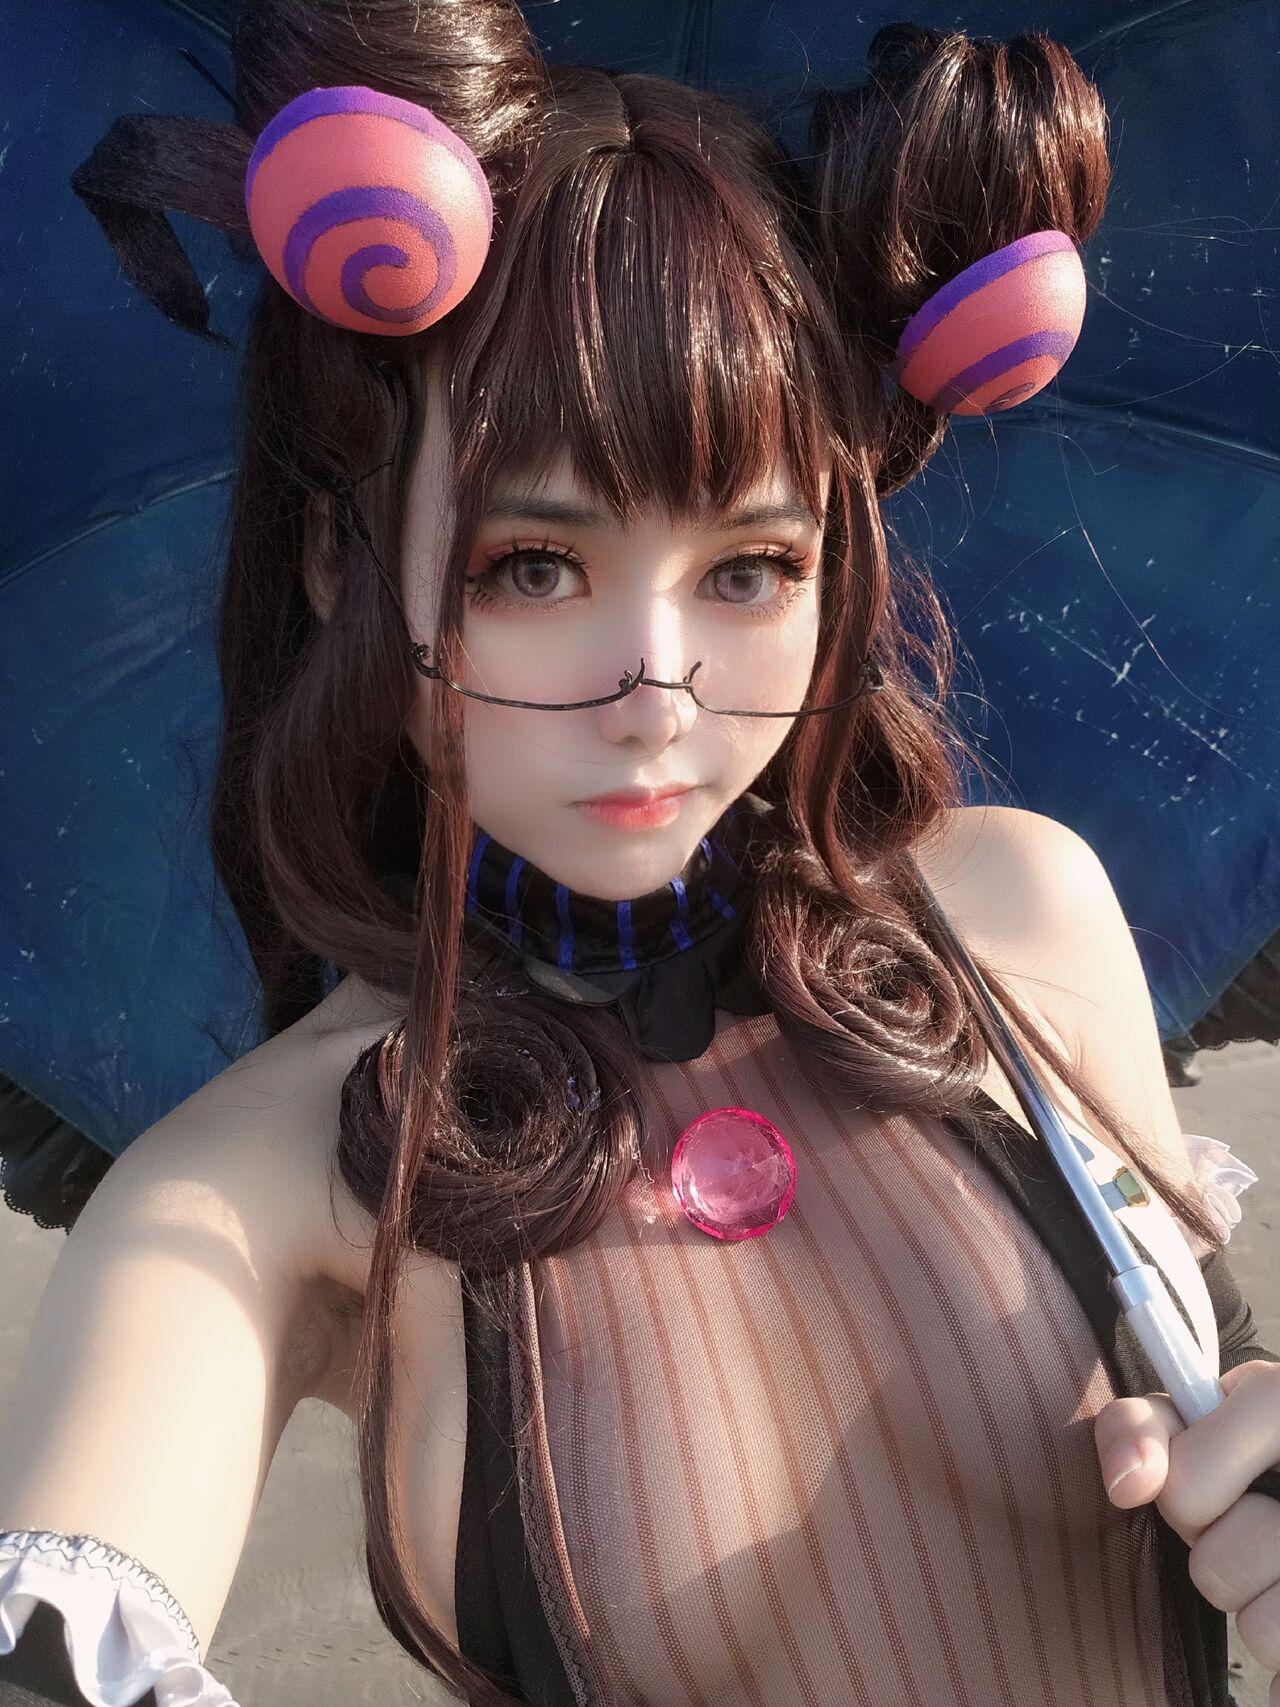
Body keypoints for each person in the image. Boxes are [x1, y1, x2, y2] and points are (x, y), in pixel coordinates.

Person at [0, 6, 1275, 1705]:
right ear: (342, 563)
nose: (656, 692)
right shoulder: (267, 1176)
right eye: (534, 566)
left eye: (748, 568)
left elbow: (1219, 1378)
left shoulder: (1017, 909)